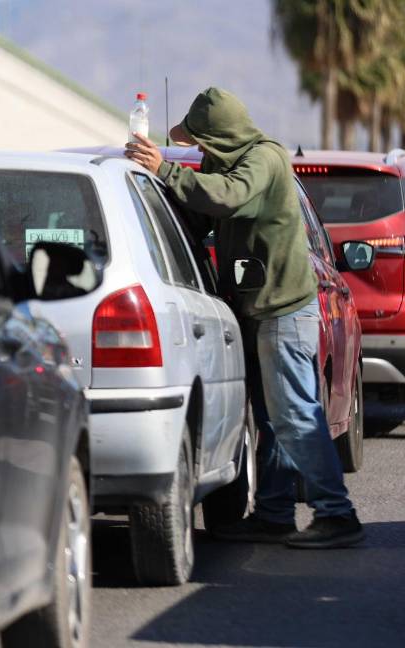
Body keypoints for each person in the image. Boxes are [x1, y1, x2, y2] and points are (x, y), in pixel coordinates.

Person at [125, 87, 363, 549]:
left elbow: (228, 197)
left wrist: (167, 169)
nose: (197, 149)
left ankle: (338, 513)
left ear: (221, 134)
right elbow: (202, 215)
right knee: (272, 421)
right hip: (254, 312)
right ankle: (274, 516)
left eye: (200, 140)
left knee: (296, 416)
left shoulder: (263, 160)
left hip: (283, 312)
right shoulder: (221, 161)